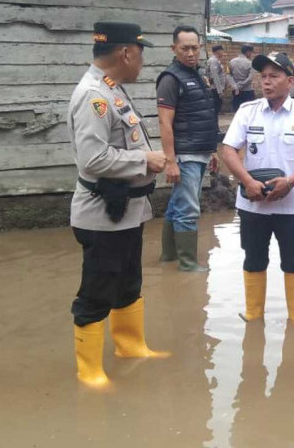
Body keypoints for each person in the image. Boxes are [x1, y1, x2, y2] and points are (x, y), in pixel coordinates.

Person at [67, 21, 170, 389]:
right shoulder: (93, 96)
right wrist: (146, 160)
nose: (142, 61)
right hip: (102, 215)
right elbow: (92, 160)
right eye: (140, 53)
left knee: (128, 282)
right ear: (126, 52)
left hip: (127, 212)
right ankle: (89, 369)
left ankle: (130, 347)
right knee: (97, 289)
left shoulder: (113, 90)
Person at [221, 52, 294, 325]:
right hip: (253, 203)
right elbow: (229, 149)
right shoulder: (247, 111)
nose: (266, 82)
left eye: (274, 76)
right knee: (253, 258)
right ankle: (254, 316)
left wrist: (290, 182)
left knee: (293, 261)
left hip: (292, 207)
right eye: (263, 77)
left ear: (289, 81)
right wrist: (247, 181)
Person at [156, 25, 219, 272]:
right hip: (185, 154)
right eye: (185, 48)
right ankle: (188, 264)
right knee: (188, 208)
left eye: (195, 47)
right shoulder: (170, 79)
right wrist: (170, 161)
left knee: (176, 205)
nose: (191, 53)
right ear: (174, 49)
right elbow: (164, 122)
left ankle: (168, 257)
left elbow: (203, 115)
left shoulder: (197, 75)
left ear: (200, 47)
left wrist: (211, 150)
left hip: (200, 151)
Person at [207, 44, 232, 119]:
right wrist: (219, 91)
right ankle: (214, 128)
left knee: (216, 109)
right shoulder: (214, 61)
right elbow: (215, 77)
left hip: (216, 89)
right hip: (215, 89)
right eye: (222, 51)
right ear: (218, 51)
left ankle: (215, 127)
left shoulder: (215, 60)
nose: (223, 53)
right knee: (215, 109)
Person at [229, 43, 255, 112]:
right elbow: (250, 78)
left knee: (237, 111)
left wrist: (235, 86)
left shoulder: (231, 61)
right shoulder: (250, 63)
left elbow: (228, 75)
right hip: (247, 91)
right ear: (248, 52)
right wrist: (241, 85)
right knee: (249, 112)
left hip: (236, 91)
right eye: (251, 53)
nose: (251, 54)